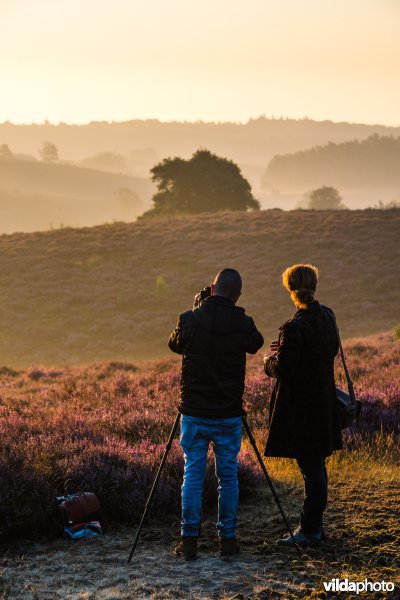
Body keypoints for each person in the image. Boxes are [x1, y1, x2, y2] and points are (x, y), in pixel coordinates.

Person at [168, 268, 264, 560]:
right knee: (229, 478)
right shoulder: (243, 322)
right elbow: (256, 343)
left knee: (193, 475)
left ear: (212, 288)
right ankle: (228, 541)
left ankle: (189, 541)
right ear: (237, 295)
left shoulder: (190, 318)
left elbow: (174, 344)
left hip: (194, 413)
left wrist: (198, 307)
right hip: (227, 414)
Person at [263, 264, 342, 548]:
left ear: (290, 290)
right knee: (316, 466)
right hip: (323, 404)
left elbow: (283, 369)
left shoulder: (293, 326)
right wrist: (284, 347)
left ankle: (310, 530)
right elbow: (325, 350)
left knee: (311, 469)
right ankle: (314, 527)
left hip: (302, 411)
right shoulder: (328, 317)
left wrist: (267, 362)